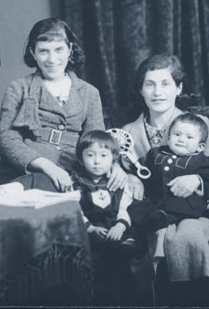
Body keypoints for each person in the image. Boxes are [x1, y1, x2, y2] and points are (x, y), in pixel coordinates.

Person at [122, 54, 209, 305]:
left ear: (179, 88)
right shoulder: (127, 132)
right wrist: (129, 177)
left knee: (187, 238)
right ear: (141, 90)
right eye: (150, 84)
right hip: (151, 213)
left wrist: (198, 181)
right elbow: (114, 170)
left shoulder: (198, 125)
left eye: (165, 84)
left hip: (192, 212)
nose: (157, 92)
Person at [0, 18, 127, 192]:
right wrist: (48, 167)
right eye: (43, 51)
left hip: (72, 175)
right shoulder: (19, 88)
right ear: (33, 53)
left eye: (59, 50)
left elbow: (97, 140)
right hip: (22, 175)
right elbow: (7, 140)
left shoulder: (89, 92)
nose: (52, 59)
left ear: (70, 49)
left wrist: (113, 164)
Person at [72, 130, 145, 305]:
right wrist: (90, 228)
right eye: (90, 155)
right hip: (90, 230)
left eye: (103, 155)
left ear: (113, 159)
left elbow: (124, 207)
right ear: (81, 159)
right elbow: (75, 209)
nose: (97, 161)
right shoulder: (76, 182)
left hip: (116, 228)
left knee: (122, 257)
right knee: (90, 265)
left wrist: (120, 226)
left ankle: (121, 299)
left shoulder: (118, 182)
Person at [144, 113, 209, 232]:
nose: (181, 140)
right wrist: (134, 177)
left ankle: (164, 220)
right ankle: (130, 235)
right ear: (168, 138)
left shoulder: (201, 161)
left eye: (189, 137)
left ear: (200, 147)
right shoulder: (155, 153)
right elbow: (143, 169)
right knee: (137, 208)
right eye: (177, 134)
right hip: (155, 199)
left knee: (182, 207)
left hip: (185, 202)